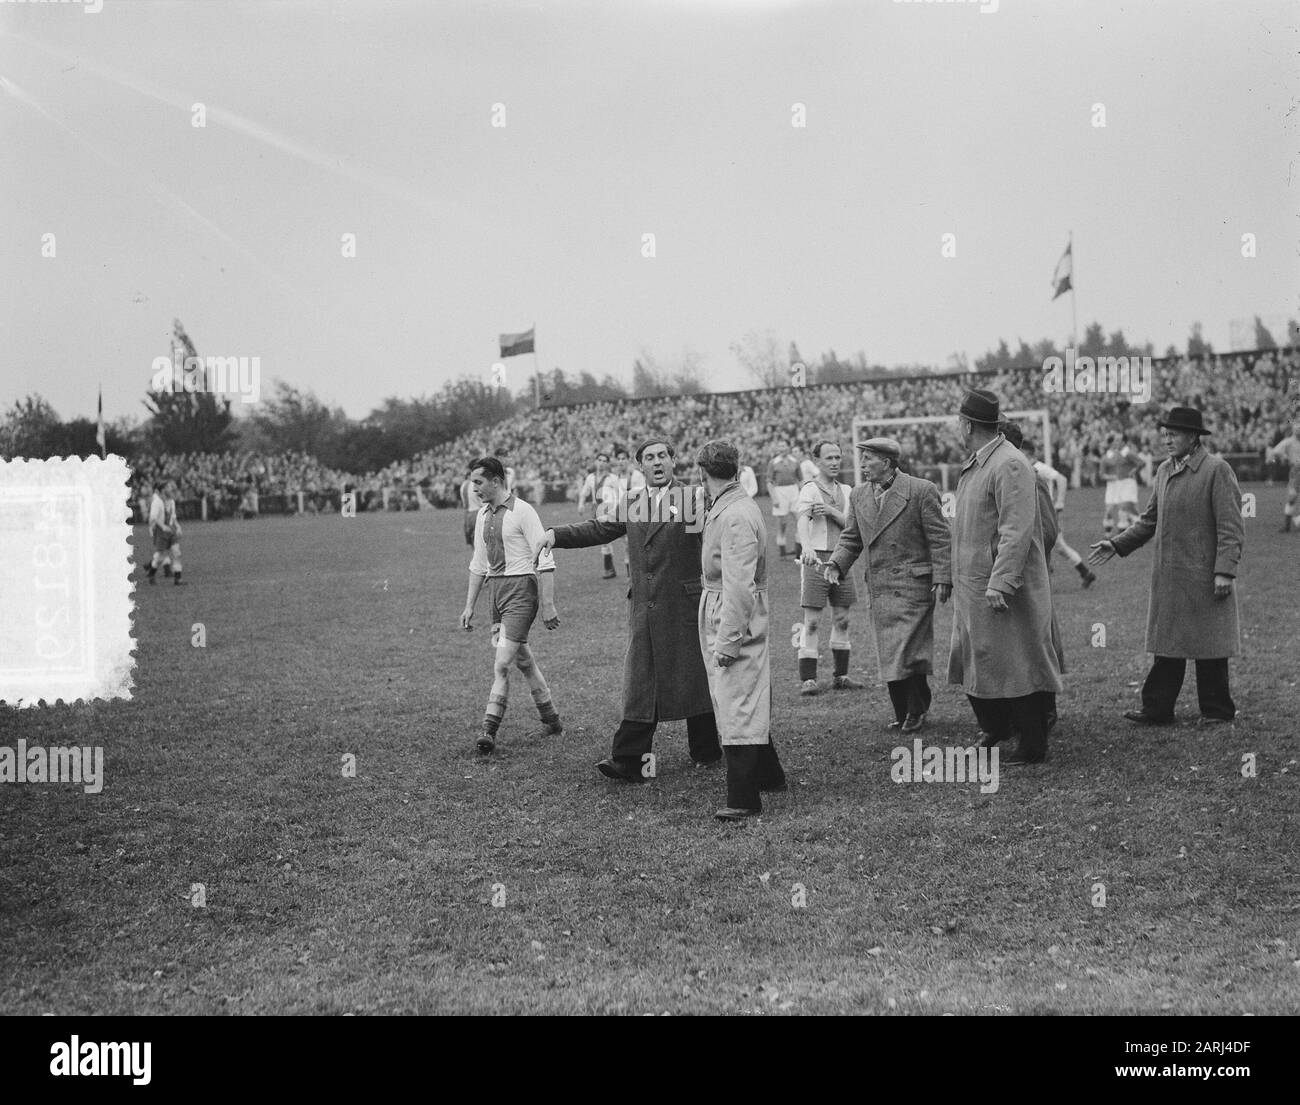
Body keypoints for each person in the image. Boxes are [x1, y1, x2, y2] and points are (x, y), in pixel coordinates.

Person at [538, 438, 721, 782]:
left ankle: (707, 749)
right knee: (642, 681)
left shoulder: (692, 498)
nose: (657, 462)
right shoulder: (633, 502)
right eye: (649, 458)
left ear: (673, 461)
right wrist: (555, 535)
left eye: (663, 456)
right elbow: (599, 528)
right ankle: (629, 758)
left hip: (685, 604)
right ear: (640, 466)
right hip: (645, 607)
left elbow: (713, 542)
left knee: (694, 677)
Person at [1088, 407, 1243, 725]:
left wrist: (1225, 570)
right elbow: (1148, 521)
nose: (1166, 439)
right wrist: (1117, 544)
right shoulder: (1163, 471)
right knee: (1168, 644)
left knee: (1209, 644)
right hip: (1170, 576)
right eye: (1165, 434)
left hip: (1205, 574)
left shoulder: (1217, 470)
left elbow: (1231, 526)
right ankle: (1157, 709)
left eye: (1173, 434)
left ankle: (1217, 711)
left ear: (1193, 437)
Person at [947, 390, 1062, 765]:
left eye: (958, 421)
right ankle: (1000, 729)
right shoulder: (982, 462)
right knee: (989, 660)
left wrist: (1002, 580)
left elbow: (1017, 529)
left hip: (998, 587)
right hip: (975, 583)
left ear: (968, 424)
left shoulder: (1008, 463)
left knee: (1019, 661)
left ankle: (1032, 745)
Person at [827, 437, 950, 733]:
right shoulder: (858, 495)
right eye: (862, 458)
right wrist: (836, 563)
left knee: (907, 650)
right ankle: (903, 711)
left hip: (912, 584)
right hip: (880, 586)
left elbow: (940, 537)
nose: (863, 464)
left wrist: (943, 577)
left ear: (887, 462)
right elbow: (851, 538)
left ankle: (916, 710)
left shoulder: (921, 490)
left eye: (868, 459)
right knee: (890, 650)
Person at [697, 440, 786, 821]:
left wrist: (729, 640)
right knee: (742, 693)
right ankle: (769, 774)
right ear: (737, 468)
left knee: (736, 698)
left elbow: (738, 585)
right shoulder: (732, 505)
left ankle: (744, 796)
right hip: (723, 604)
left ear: (702, 472)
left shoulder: (735, 514)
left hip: (731, 610)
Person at [460, 456, 563, 754]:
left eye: (478, 482)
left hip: (521, 591)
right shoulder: (482, 515)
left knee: (502, 663)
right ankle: (552, 719)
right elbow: (478, 564)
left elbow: (545, 556)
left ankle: (488, 731)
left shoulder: (523, 511)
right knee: (523, 660)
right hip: (497, 592)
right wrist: (469, 606)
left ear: (496, 480)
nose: (474, 488)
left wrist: (548, 604)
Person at [794, 441, 864, 695]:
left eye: (838, 457)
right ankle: (808, 679)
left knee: (842, 619)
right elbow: (802, 519)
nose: (835, 462)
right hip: (817, 560)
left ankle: (841, 676)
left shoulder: (847, 490)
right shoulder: (810, 489)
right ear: (817, 461)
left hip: (842, 558)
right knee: (811, 622)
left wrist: (833, 512)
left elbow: (852, 526)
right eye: (829, 458)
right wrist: (807, 547)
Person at [1015, 432, 1096, 588]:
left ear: (1026, 452)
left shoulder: (1038, 467)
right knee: (1053, 544)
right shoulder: (1027, 467)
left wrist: (1060, 502)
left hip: (1047, 512)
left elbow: (1062, 479)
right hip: (1037, 512)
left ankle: (1082, 572)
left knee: (1056, 544)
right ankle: (1081, 572)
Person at [1099, 432, 1143, 537]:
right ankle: (1126, 530)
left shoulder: (1127, 452)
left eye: (1118, 440)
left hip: (1128, 483)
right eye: (1115, 440)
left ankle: (1130, 529)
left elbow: (1141, 462)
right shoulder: (1118, 453)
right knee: (1125, 508)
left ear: (1123, 442)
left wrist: (1134, 471)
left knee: (1126, 507)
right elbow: (1104, 472)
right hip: (1120, 484)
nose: (1116, 442)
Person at [766, 440, 801, 560]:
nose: (782, 448)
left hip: (794, 490)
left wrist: (804, 494)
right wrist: (774, 498)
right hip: (780, 492)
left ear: (788, 447)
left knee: (801, 521)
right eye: (780, 446)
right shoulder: (773, 462)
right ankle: (783, 553)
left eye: (784, 446)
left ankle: (798, 553)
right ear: (777, 449)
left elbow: (800, 479)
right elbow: (769, 481)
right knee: (783, 524)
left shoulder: (795, 461)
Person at [145, 480, 184, 586]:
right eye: (169, 487)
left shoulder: (171, 502)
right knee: (159, 557)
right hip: (161, 532)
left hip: (170, 531)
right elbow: (153, 518)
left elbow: (173, 517)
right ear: (163, 490)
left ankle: (178, 578)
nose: (171, 489)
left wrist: (178, 526)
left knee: (177, 553)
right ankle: (152, 573)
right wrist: (163, 526)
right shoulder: (157, 502)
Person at [1265, 418, 1300, 533]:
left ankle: (1295, 521)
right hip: (1296, 472)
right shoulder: (1288, 441)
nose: (1298, 430)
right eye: (1297, 429)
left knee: (1292, 498)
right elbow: (1275, 451)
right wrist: (1284, 457)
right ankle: (1287, 526)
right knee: (1292, 498)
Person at [459, 473, 482, 546]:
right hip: (476, 512)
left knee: (471, 540)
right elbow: (481, 500)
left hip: (467, 514)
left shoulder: (463, 485)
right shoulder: (475, 485)